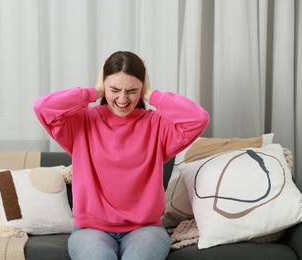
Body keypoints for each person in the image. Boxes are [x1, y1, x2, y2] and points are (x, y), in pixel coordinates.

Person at [33, 51, 209, 260]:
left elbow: (198, 119)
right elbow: (42, 107)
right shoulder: (81, 123)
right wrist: (94, 91)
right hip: (91, 231)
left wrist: (152, 94)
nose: (123, 99)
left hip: (145, 230)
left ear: (141, 88)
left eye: (133, 91)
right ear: (104, 86)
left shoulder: (156, 126)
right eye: (114, 89)